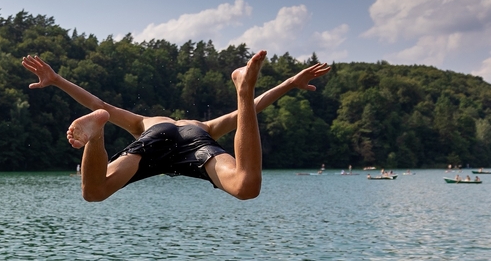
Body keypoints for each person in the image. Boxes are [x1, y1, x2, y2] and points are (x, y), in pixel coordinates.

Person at [22, 51, 330, 202]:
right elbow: (250, 112)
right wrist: (288, 83)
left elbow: (96, 100)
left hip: (152, 141)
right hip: (199, 143)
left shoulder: (146, 122)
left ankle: (98, 132)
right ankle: (242, 88)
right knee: (246, 186)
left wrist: (57, 80)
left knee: (94, 191)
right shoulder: (201, 124)